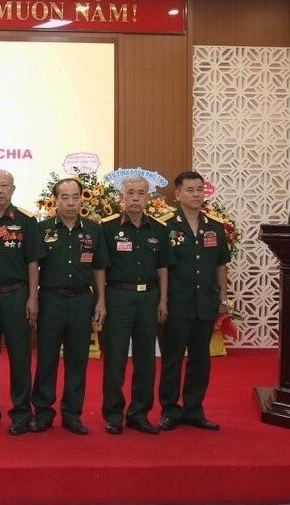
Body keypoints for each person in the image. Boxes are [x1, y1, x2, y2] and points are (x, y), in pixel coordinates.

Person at [29, 178, 109, 435]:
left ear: (81, 199)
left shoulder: (94, 229)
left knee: (77, 359)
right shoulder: (42, 229)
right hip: (50, 300)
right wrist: (33, 298)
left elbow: (99, 267)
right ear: (55, 201)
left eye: (75, 197)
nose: (71, 202)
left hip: (82, 301)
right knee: (47, 359)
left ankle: (72, 414)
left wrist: (101, 300)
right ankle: (43, 413)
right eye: (64, 197)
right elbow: (34, 267)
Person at [0, 169, 44, 435]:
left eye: (4, 186)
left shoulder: (25, 221)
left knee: (19, 357)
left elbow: (33, 263)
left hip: (16, 296)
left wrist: (33, 298)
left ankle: (22, 414)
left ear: (13, 189)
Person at [100, 175, 174, 435]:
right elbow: (100, 268)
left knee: (146, 360)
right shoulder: (107, 228)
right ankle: (113, 414)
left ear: (148, 197)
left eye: (140, 193)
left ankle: (139, 413)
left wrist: (163, 300)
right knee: (115, 359)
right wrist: (101, 301)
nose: (135, 198)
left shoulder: (159, 229)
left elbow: (163, 267)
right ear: (122, 196)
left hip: (149, 298)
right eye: (130, 193)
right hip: (118, 298)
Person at [159, 171, 230, 432]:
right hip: (177, 303)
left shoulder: (215, 227)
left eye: (200, 189)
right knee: (172, 360)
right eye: (190, 190)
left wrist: (223, 297)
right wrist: (162, 301)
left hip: (205, 303)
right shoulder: (166, 226)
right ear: (178, 194)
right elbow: (161, 268)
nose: (196, 194)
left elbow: (221, 265)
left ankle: (193, 410)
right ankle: (169, 410)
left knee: (201, 360)